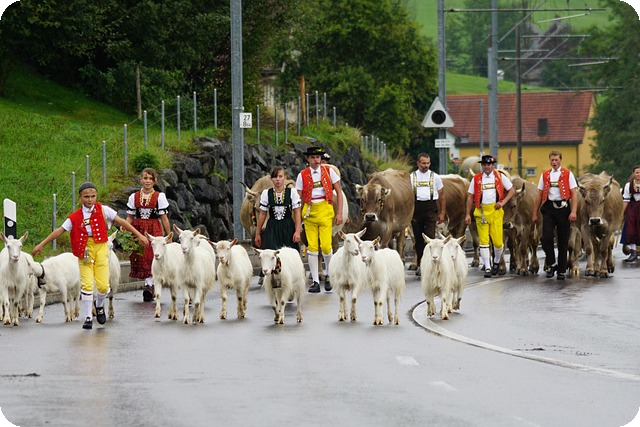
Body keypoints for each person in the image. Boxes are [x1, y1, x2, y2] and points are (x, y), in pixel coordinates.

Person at [32, 182, 149, 330]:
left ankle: (99, 305)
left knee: (103, 286)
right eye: (86, 197)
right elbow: (60, 230)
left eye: (93, 196)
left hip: (101, 248)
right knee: (87, 284)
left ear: (96, 196)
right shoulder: (74, 217)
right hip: (85, 250)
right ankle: (88, 317)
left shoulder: (104, 210)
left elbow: (121, 222)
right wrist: (42, 244)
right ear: (80, 197)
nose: (90, 199)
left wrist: (138, 235)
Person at [296, 146, 344, 293]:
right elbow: (297, 199)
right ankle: (315, 281)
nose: (316, 160)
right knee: (312, 248)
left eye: (318, 157)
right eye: (313, 157)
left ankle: (329, 275)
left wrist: (339, 213)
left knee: (326, 246)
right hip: (309, 212)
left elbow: (339, 192)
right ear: (308, 159)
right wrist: (297, 222)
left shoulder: (329, 171)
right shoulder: (302, 175)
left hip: (325, 210)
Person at [123, 167, 171, 302]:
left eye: (150, 178)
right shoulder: (134, 196)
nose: (147, 181)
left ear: (155, 181)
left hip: (153, 229)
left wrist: (168, 235)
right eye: (145, 178)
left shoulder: (159, 197)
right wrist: (125, 227)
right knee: (141, 256)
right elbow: (130, 216)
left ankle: (150, 285)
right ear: (141, 179)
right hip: (138, 229)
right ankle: (148, 284)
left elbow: (164, 218)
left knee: (152, 255)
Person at [465, 155, 515, 278]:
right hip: (481, 212)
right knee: (484, 242)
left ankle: (496, 262)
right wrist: (467, 214)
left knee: (498, 243)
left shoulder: (500, 177)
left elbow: (512, 190)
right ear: (482, 166)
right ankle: (487, 267)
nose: (487, 167)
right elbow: (470, 197)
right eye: (485, 164)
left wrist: (502, 202)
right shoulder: (476, 179)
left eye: (489, 164)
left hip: (496, 212)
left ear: (493, 165)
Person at [532, 150, 578, 280]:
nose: (554, 162)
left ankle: (561, 270)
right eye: (552, 160)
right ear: (549, 161)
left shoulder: (568, 174)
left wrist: (573, 211)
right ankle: (552, 264)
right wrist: (534, 213)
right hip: (549, 208)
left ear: (560, 160)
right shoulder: (545, 175)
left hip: (563, 208)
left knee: (563, 240)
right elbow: (539, 195)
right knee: (546, 237)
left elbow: (574, 193)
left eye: (556, 160)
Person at [410, 152, 446, 276]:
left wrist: (442, 212)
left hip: (431, 208)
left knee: (430, 238)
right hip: (416, 209)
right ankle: (421, 263)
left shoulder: (435, 177)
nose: (426, 165)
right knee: (418, 240)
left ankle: (431, 265)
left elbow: (442, 196)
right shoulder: (411, 177)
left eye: (428, 163)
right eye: (423, 163)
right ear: (418, 163)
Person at [254, 166, 302, 251]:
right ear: (271, 179)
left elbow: (297, 212)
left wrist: (297, 231)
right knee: (271, 253)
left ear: (285, 178)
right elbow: (262, 214)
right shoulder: (266, 193)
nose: (277, 179)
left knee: (289, 253)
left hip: (288, 227)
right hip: (272, 228)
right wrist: (258, 234)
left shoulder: (292, 192)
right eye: (275, 177)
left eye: (280, 176)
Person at [621, 165, 640, 262]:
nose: (638, 174)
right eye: (637, 172)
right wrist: (621, 213)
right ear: (633, 173)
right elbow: (626, 200)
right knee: (631, 230)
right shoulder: (629, 185)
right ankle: (633, 253)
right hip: (632, 209)